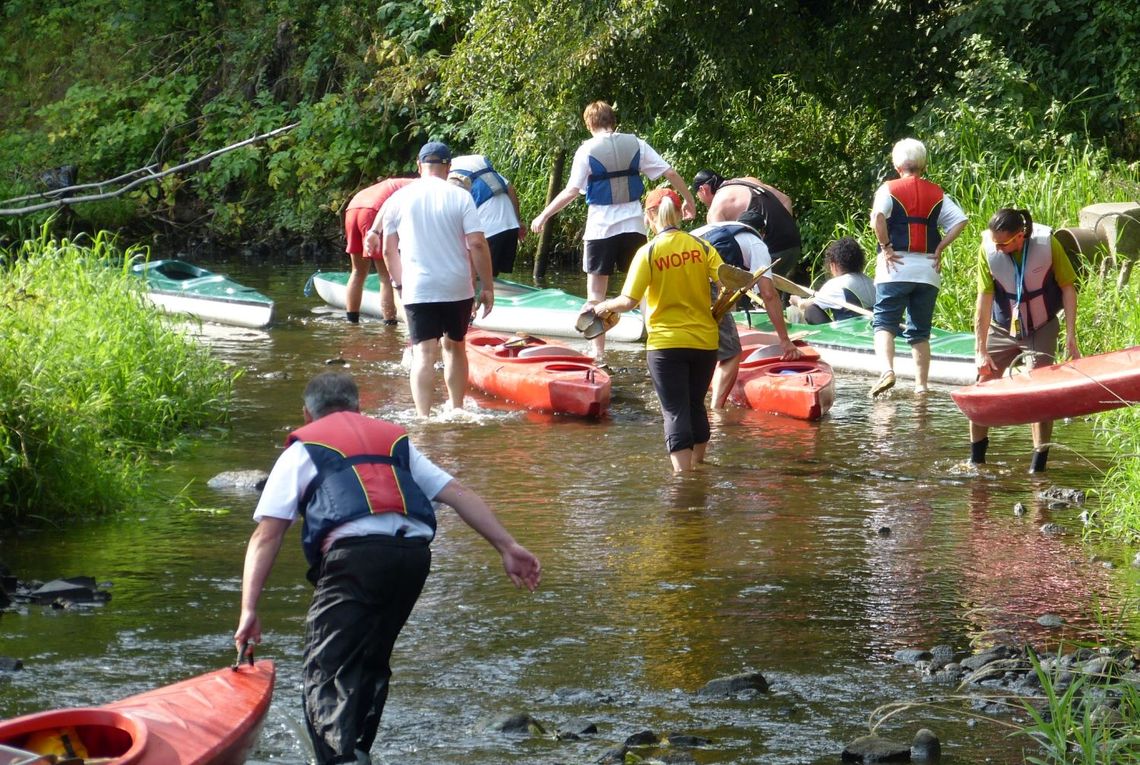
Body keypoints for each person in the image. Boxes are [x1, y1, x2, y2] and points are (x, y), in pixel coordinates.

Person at [234, 372, 541, 765]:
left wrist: (249, 610)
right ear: (359, 407)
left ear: (307, 413)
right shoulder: (393, 441)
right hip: (412, 557)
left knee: (326, 665)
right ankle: (358, 749)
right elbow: (457, 493)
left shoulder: (302, 449)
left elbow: (268, 535)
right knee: (371, 656)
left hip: (357, 558)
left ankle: (338, 759)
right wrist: (507, 546)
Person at [530, 101, 696, 360]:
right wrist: (689, 200)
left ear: (589, 124)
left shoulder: (586, 150)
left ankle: (598, 355)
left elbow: (571, 191)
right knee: (643, 290)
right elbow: (670, 172)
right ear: (613, 121)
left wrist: (544, 214)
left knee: (595, 295)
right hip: (633, 226)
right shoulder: (636, 144)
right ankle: (656, 344)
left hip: (601, 229)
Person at [588, 188, 721, 471]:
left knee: (674, 411)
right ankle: (701, 468)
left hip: (665, 344)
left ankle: (683, 479)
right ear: (678, 212)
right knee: (696, 405)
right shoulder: (702, 247)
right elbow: (729, 282)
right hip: (705, 342)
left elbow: (628, 301)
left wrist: (602, 306)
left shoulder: (648, 252)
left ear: (650, 216)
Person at [364, 141, 495, 417]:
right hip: (457, 287)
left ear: (418, 166)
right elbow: (477, 244)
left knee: (423, 353)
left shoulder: (398, 199)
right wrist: (487, 287)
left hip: (418, 288)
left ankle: (423, 417)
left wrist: (400, 285)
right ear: (448, 167)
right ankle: (457, 410)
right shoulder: (461, 197)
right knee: (455, 348)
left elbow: (388, 250)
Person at [969, 208, 1080, 473]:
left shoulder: (1047, 244)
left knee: (1040, 391)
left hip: (1041, 326)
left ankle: (1038, 466)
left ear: (1021, 236)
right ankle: (976, 460)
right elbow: (983, 301)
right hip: (1003, 327)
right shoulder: (988, 250)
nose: (997, 248)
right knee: (982, 383)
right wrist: (980, 350)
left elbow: (1068, 287)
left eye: (1003, 243)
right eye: (995, 242)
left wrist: (1071, 336)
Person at [868, 138, 968, 396]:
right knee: (920, 331)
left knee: (884, 323)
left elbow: (878, 217)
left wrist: (886, 246)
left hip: (895, 268)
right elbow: (960, 221)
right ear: (923, 165)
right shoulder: (937, 193)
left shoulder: (888, 188)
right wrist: (940, 247)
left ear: (896, 164)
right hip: (927, 271)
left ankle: (887, 371)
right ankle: (921, 387)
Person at [691, 220, 804, 408]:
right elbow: (769, 294)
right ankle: (716, 410)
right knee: (731, 352)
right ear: (762, 232)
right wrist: (785, 340)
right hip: (707, 282)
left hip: (680, 279)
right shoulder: (757, 244)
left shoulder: (713, 228)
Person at [691, 169, 804, 285]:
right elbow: (786, 200)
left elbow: (723, 252)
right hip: (794, 244)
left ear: (703, 189)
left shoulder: (716, 209)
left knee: (745, 294)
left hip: (771, 253)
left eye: (699, 198)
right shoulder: (750, 181)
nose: (702, 202)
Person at [343, 176, 415, 324]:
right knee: (386, 277)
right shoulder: (425, 186)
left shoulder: (403, 183)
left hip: (353, 207)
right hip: (373, 210)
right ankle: (389, 324)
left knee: (357, 271)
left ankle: (351, 321)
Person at [448, 154, 527, 277]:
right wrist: (518, 221)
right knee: (490, 276)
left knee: (473, 277)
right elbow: (511, 189)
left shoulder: (453, 178)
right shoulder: (489, 175)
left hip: (489, 232)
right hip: (510, 228)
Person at [788, 237, 876, 325]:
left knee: (810, 310)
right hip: (872, 329)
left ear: (834, 265)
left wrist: (797, 301)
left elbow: (804, 305)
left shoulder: (835, 285)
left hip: (849, 334)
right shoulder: (871, 282)